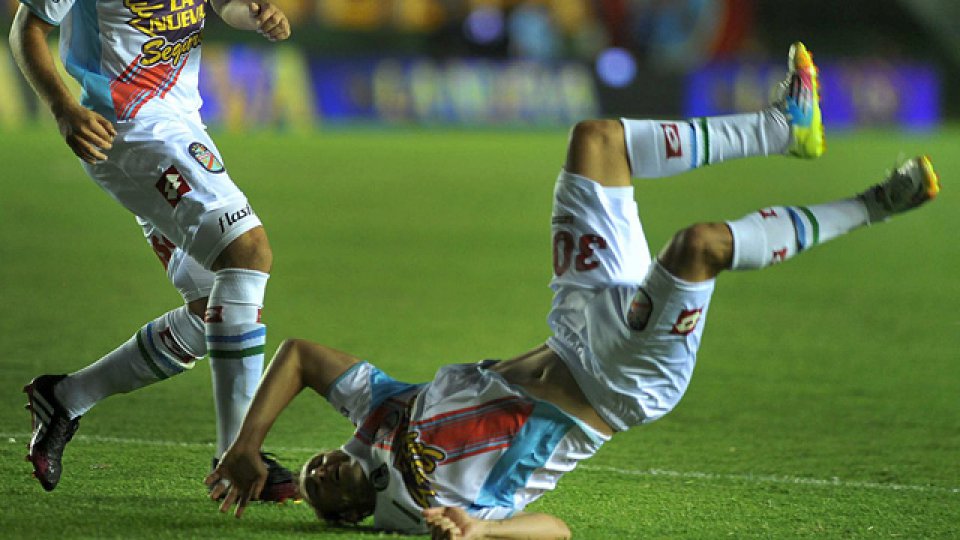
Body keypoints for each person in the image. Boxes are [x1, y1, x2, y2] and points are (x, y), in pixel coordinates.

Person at [206, 43, 940, 537]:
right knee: (699, 245)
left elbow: (299, 355)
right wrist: (485, 533)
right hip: (624, 381)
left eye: (314, 468)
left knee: (597, 140)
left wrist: (249, 443)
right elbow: (555, 531)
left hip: (576, 322)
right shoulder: (429, 506)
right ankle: (877, 203)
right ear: (352, 517)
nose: (324, 473)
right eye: (326, 490)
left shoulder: (379, 417)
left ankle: (787, 124)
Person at [12, 0, 298, 499]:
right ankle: (237, 452)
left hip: (181, 125)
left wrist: (253, 15)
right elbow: (27, 27)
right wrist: (62, 107)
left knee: (216, 306)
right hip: (126, 130)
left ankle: (64, 397)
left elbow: (224, 5)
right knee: (247, 253)